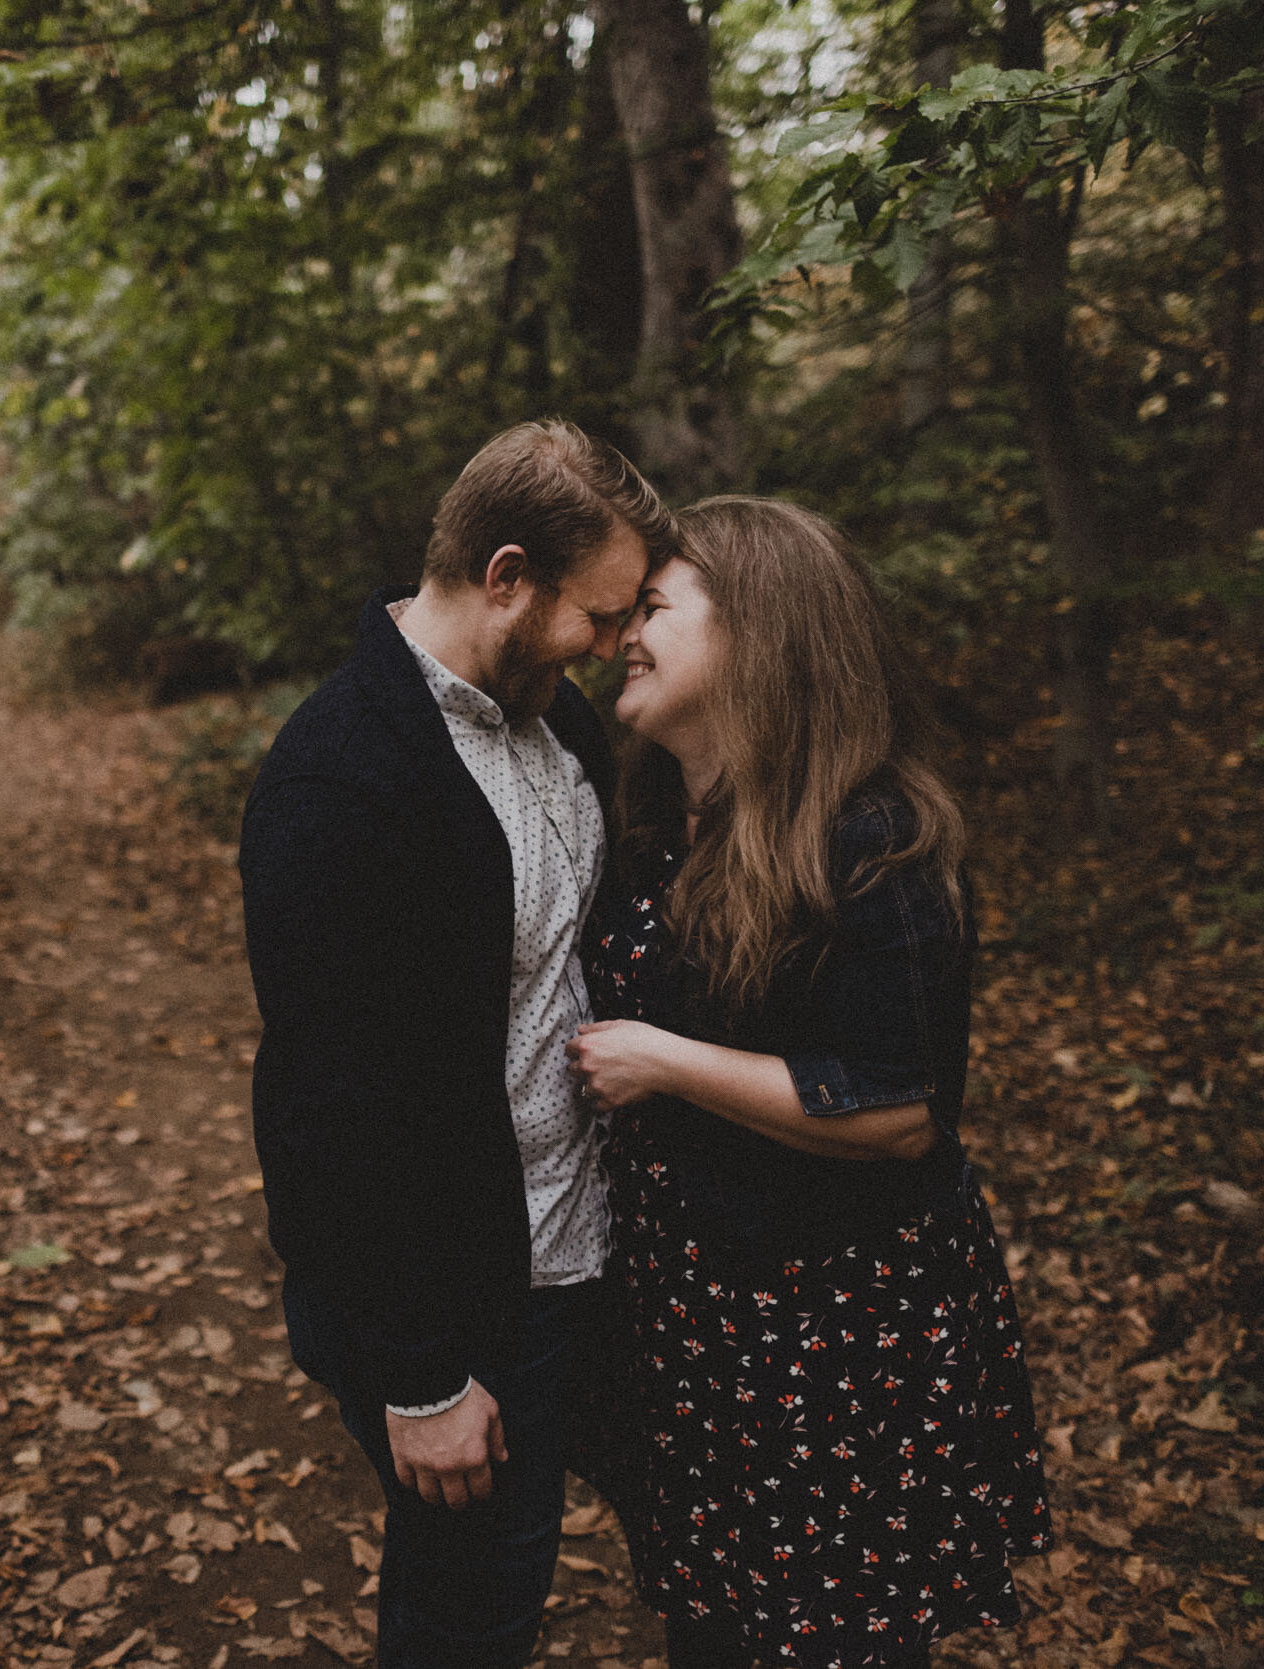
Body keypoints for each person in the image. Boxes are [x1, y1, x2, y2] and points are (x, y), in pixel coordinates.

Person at [567, 496, 1051, 1669]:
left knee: (832, 1643)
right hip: (700, 1321)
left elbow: (894, 1114)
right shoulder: (652, 820)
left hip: (840, 1335)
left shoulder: (873, 841)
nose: (625, 631)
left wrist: (663, 1061)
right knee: (713, 1633)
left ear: (758, 635)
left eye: (655, 609)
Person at [240, 420, 669, 1669]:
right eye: (597, 612)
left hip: (597, 1242)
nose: (612, 639)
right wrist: (421, 1377)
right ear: (505, 578)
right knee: (470, 1616)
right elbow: (327, 1111)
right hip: (472, 1295)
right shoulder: (338, 780)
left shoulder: (561, 724)